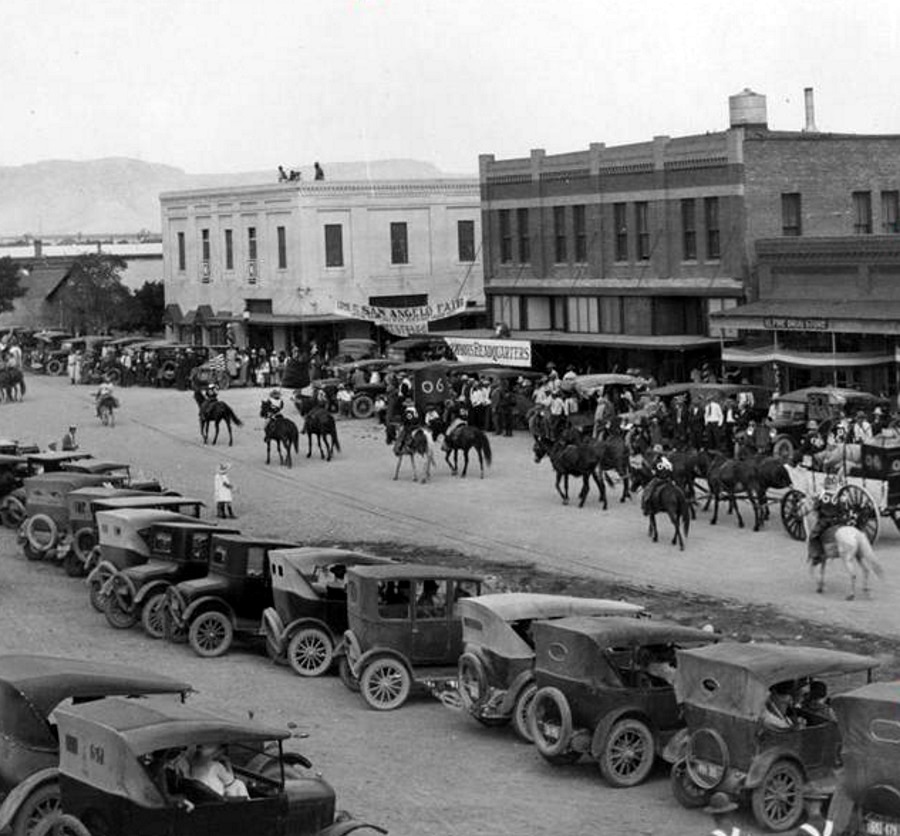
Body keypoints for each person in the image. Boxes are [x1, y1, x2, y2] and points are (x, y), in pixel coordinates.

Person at [807, 473, 851, 564]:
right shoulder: (839, 496)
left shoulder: (822, 496)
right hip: (838, 521)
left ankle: (816, 555)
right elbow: (843, 509)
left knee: (813, 535)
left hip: (826, 521)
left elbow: (816, 508)